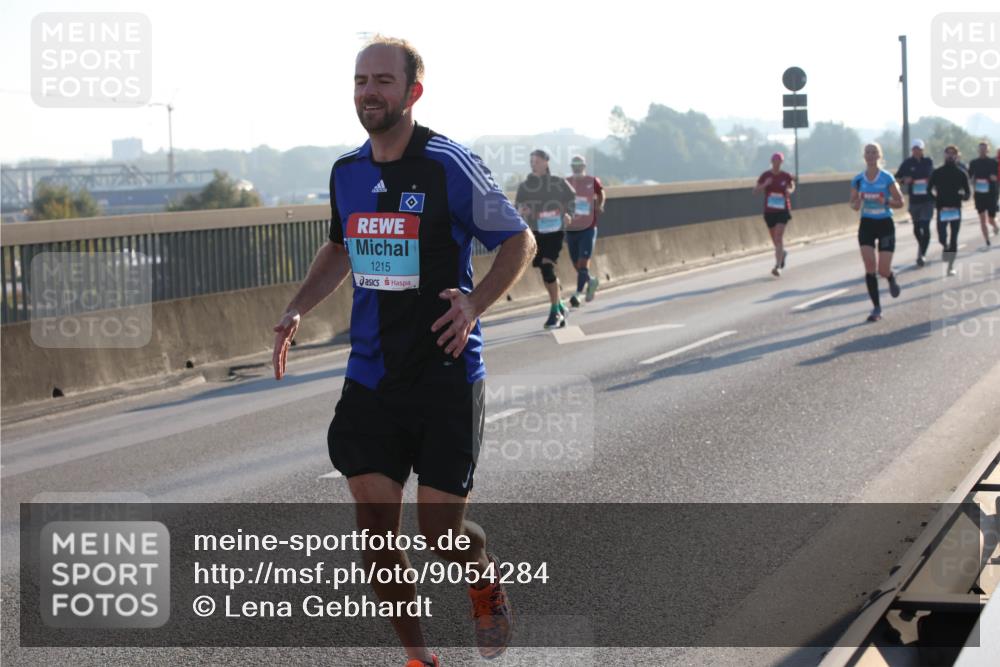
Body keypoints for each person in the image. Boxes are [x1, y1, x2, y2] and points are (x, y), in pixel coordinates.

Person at [272, 35, 535, 667]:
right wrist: (297, 306)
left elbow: (518, 240)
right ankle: (420, 658)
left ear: (412, 92)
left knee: (441, 536)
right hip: (371, 379)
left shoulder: (448, 164)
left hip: (446, 373)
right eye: (361, 81)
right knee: (374, 531)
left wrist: (474, 305)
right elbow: (339, 248)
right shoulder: (347, 173)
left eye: (383, 81)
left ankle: (481, 577)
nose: (369, 92)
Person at [515, 149, 577, 328]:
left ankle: (555, 312)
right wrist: (522, 210)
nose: (533, 164)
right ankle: (560, 305)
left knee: (548, 267)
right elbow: (518, 205)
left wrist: (569, 214)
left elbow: (572, 199)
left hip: (555, 231)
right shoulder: (525, 186)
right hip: (536, 232)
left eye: (536, 161)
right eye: (531, 161)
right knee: (545, 270)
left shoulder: (558, 183)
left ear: (546, 161)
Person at [849, 143, 904, 322]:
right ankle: (876, 308)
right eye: (868, 152)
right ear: (864, 156)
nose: (871, 155)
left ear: (879, 156)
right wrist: (856, 204)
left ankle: (890, 276)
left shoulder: (887, 178)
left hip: (885, 224)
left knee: (882, 269)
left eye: (874, 153)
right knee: (870, 266)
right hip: (867, 225)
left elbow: (900, 202)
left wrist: (885, 201)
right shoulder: (858, 180)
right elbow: (853, 204)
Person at [565, 154, 605, 307]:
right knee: (576, 264)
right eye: (574, 166)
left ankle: (577, 294)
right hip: (571, 229)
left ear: (584, 167)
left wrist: (600, 204)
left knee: (583, 263)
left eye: (579, 166)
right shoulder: (567, 182)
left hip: (588, 228)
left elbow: (601, 192)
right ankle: (591, 281)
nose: (577, 168)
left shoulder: (592, 181)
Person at [929, 145, 972, 276]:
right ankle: (945, 247)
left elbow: (968, 193)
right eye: (948, 153)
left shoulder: (961, 173)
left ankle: (951, 266)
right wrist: (935, 199)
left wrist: (963, 196)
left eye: (953, 154)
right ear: (944, 155)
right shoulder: (937, 172)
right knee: (942, 237)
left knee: (954, 238)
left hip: (955, 209)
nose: (950, 155)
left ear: (957, 156)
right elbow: (928, 189)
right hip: (942, 209)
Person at [752, 152, 795, 276]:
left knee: (778, 237)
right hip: (769, 211)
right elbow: (754, 191)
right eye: (775, 161)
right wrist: (765, 184)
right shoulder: (765, 175)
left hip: (783, 210)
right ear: (772, 162)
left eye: (779, 161)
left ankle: (778, 266)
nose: (777, 163)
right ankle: (782, 254)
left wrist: (789, 190)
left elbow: (792, 186)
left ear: (781, 162)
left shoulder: (786, 176)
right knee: (775, 240)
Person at [895, 139, 935, 266]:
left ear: (923, 150)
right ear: (912, 150)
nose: (917, 151)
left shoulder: (928, 161)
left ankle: (921, 254)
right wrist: (904, 181)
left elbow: (934, 176)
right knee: (917, 228)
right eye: (914, 149)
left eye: (919, 149)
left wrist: (931, 181)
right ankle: (921, 248)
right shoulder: (907, 163)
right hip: (914, 200)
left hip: (928, 200)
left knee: (926, 226)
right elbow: (896, 179)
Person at [968, 140, 999, 245]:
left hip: (991, 193)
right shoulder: (974, 163)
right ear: (978, 150)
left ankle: (995, 226)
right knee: (982, 218)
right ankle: (987, 240)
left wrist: (994, 178)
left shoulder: (993, 162)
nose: (982, 151)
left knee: (990, 219)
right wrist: (972, 181)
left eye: (984, 149)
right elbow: (970, 176)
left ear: (988, 150)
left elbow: (996, 176)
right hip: (979, 193)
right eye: (981, 149)